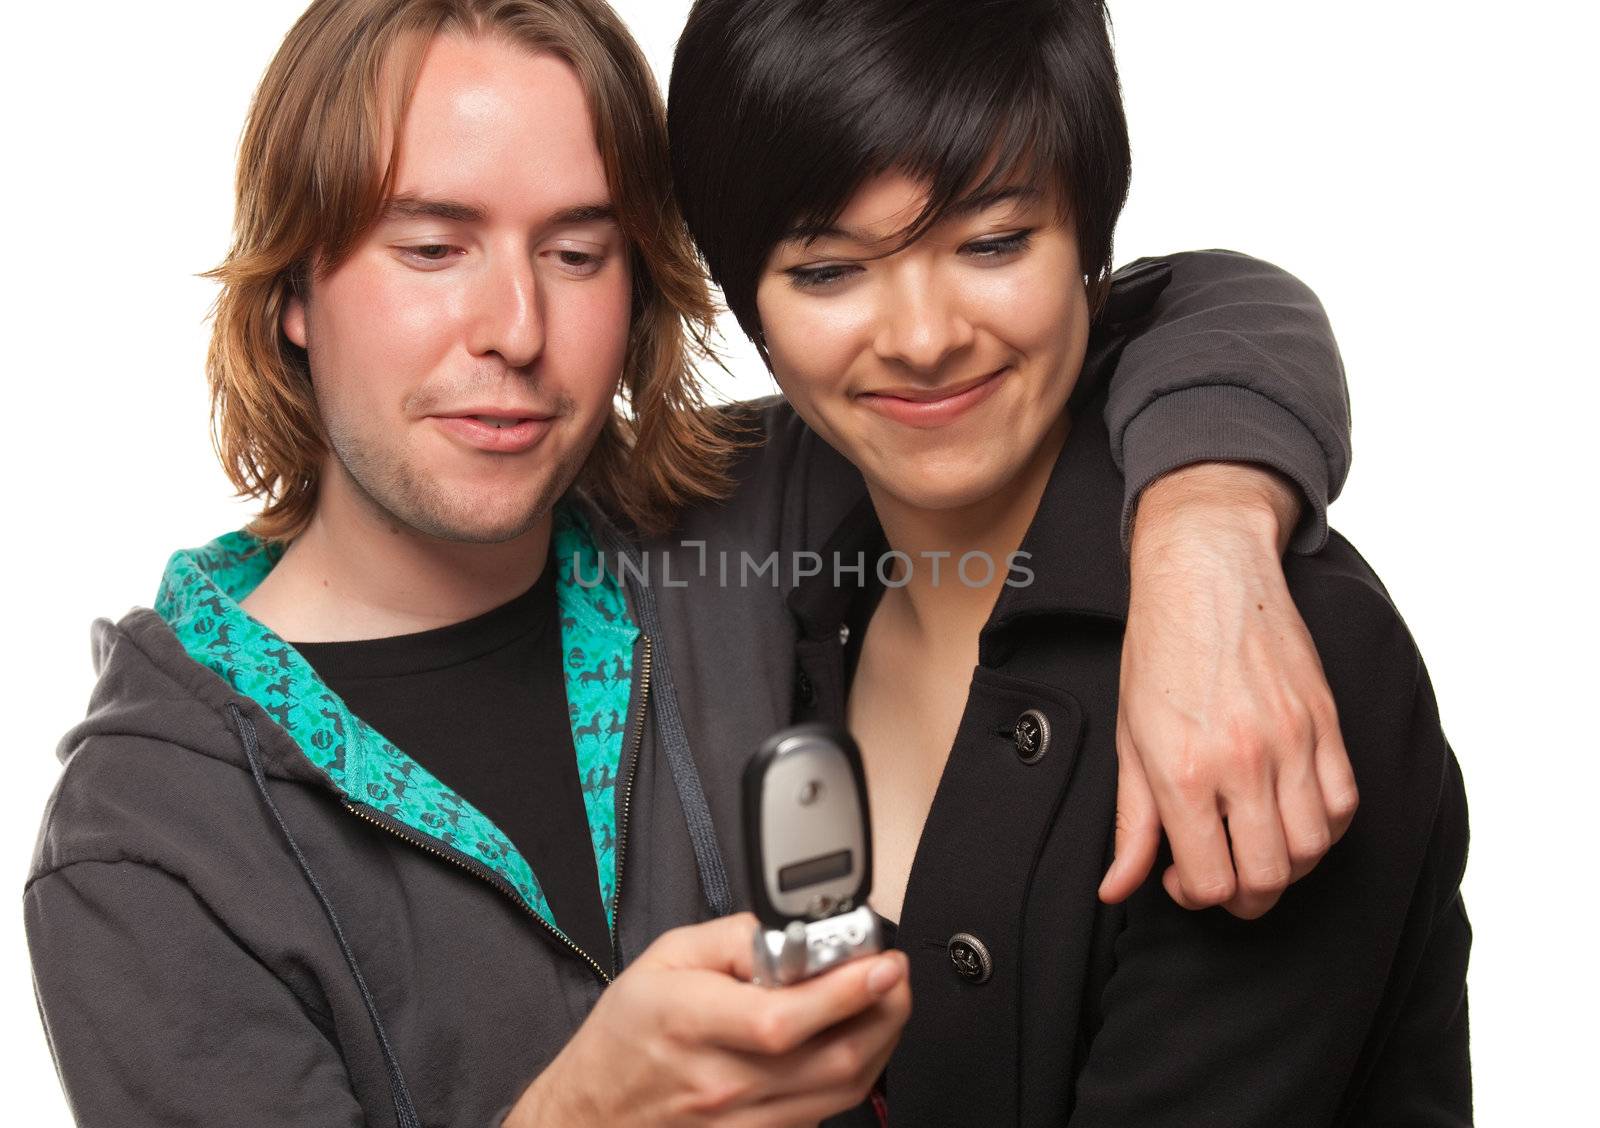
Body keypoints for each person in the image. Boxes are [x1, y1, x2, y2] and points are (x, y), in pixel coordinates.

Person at [24, 0, 1360, 1124]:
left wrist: (1206, 548)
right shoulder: (150, 840)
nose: (514, 326)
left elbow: (1184, 307)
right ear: (295, 292)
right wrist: (580, 1116)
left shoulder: (736, 513)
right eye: (433, 246)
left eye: (578, 251)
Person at [663, 0, 1471, 1124]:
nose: (923, 336)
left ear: (1089, 238)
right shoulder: (782, 596)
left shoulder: (1269, 667)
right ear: (744, 299)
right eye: (829, 272)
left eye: (992, 243)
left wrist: (1206, 537)